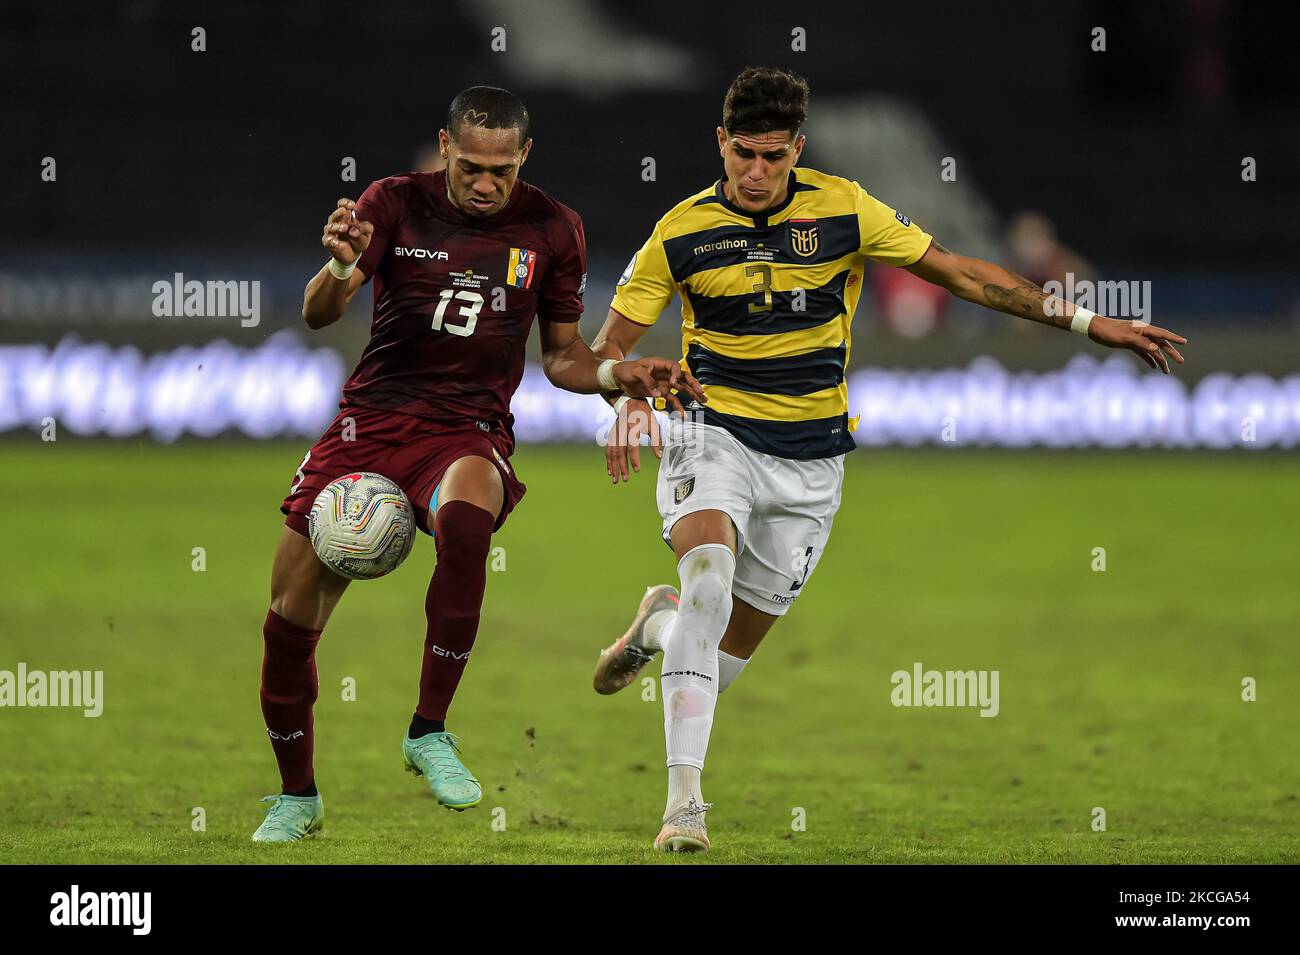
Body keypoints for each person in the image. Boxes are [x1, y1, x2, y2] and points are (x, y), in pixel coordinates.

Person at [588, 66, 1186, 853]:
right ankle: (684, 808)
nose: (758, 171)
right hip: (712, 431)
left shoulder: (846, 208)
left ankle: (655, 628)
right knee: (709, 587)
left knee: (718, 658)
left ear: (798, 147)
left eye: (774, 155)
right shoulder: (679, 230)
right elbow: (610, 345)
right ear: (721, 144)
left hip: (811, 461)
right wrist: (626, 394)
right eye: (744, 154)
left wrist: (1088, 323)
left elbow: (966, 273)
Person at [254, 85, 703, 842]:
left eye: (501, 168)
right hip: (367, 426)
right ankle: (298, 797)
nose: (485, 182)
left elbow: (563, 357)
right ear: (446, 148)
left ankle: (428, 729)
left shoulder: (555, 229)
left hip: (468, 426)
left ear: (524, 155)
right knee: (287, 625)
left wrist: (618, 375)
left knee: (468, 520)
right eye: (470, 167)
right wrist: (336, 268)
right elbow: (319, 313)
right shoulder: (394, 202)